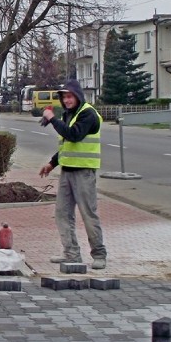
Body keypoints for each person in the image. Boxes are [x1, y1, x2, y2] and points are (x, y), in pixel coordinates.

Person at [38, 79, 107, 269]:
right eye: (64, 97)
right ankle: (71, 254)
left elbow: (74, 135)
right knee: (62, 213)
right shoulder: (70, 114)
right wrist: (52, 163)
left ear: (77, 96)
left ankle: (99, 254)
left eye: (69, 97)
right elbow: (68, 146)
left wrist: (52, 119)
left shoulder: (88, 114)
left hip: (84, 172)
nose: (66, 101)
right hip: (67, 171)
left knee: (88, 214)